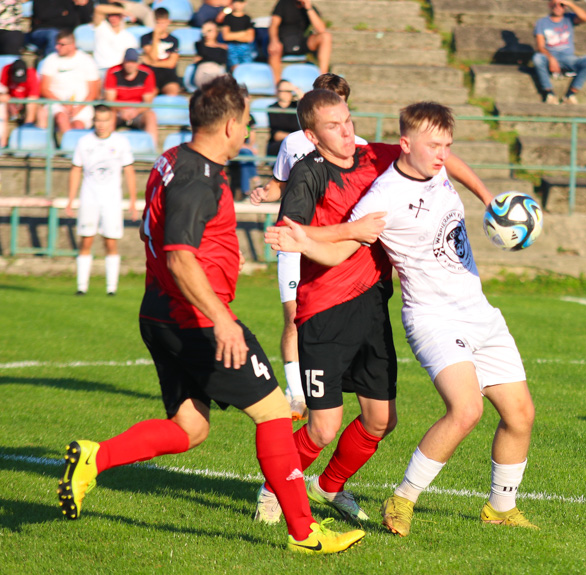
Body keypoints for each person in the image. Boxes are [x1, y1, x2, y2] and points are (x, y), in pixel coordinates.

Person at [56, 75, 365, 555]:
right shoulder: (198, 179)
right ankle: (305, 534)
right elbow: (180, 256)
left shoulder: (173, 158)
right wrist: (222, 320)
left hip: (159, 313)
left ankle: (96, 460)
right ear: (226, 126)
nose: (247, 133)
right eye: (244, 123)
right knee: (275, 414)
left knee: (190, 429)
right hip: (196, 319)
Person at [263, 101, 537, 537]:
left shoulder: (436, 164)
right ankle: (402, 496)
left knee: (521, 414)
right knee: (465, 410)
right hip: (434, 317)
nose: (443, 153)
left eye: (447, 144)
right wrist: (301, 241)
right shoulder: (384, 196)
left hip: (479, 310)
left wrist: (490, 199)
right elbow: (342, 246)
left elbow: (452, 162)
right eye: (434, 145)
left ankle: (501, 508)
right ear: (406, 145)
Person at [251, 73, 366, 423]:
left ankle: (331, 382)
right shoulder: (294, 143)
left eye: (338, 102)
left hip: (331, 245)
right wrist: (263, 192)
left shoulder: (357, 146)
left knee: (337, 320)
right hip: (295, 245)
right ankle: (296, 394)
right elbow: (280, 186)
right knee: (294, 317)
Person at [64, 105, 137, 296]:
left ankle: (111, 288)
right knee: (86, 240)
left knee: (110, 242)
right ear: (93, 121)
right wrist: (71, 200)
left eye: (105, 120)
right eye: (98, 120)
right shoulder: (84, 142)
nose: (101, 124)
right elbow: (76, 170)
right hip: (89, 197)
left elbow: (129, 171)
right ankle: (82, 287)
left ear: (112, 121)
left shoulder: (121, 142)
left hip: (112, 200)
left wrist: (132, 201)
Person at [38, 29, 101, 138]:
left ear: (72, 45)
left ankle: (72, 148)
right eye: (57, 44)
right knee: (62, 118)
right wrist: (63, 104)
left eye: (61, 44)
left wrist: (78, 108)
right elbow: (44, 89)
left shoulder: (87, 60)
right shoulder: (51, 60)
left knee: (78, 125)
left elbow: (93, 92)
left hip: (82, 105)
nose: (57, 47)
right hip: (57, 103)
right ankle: (68, 147)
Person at [532, 0, 586, 105]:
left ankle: (570, 94)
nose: (558, 7)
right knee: (537, 58)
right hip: (549, 57)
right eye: (554, 4)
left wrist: (570, 4)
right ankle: (549, 93)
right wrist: (551, 59)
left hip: (568, 58)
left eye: (561, 5)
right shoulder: (541, 23)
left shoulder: (569, 18)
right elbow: (540, 46)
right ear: (549, 5)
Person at [104, 48, 159, 148]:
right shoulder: (113, 72)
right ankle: (106, 148)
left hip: (138, 111)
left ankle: (152, 149)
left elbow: (148, 102)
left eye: (133, 62)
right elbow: (109, 101)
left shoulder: (147, 73)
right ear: (123, 61)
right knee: (108, 115)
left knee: (151, 116)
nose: (130, 65)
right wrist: (121, 111)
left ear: (138, 63)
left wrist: (136, 111)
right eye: (128, 61)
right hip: (117, 111)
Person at [268, 0, 332, 82]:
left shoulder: (310, 8)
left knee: (326, 36)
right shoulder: (283, 3)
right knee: (274, 49)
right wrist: (274, 41)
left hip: (302, 42)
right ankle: (278, 86)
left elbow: (321, 29)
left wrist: (308, 8)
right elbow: (273, 25)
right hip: (283, 41)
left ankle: (323, 80)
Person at [140, 7, 182, 96]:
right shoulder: (146, 38)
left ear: (168, 22)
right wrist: (155, 37)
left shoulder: (174, 40)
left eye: (163, 23)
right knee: (149, 94)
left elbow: (171, 63)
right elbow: (153, 57)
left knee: (172, 92)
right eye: (158, 23)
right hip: (151, 74)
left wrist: (152, 63)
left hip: (168, 74)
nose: (160, 26)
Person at [29, 0, 93, 56]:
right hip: (43, 31)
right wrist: (62, 13)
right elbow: (42, 15)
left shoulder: (73, 3)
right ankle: (53, 63)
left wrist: (83, 5)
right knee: (54, 34)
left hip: (69, 32)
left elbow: (87, 20)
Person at [0, 60, 40, 148]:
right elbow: (3, 91)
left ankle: (27, 129)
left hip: (25, 103)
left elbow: (34, 96)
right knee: (2, 103)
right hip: (10, 102)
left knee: (33, 103)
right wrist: (10, 103)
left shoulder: (32, 73)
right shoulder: (6, 69)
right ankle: (3, 144)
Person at [92, 2, 138, 72]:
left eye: (117, 15)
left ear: (122, 16)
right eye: (111, 15)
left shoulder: (128, 36)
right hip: (101, 68)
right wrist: (123, 11)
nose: (113, 18)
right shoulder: (101, 27)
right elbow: (98, 9)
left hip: (119, 71)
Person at [266, 79, 302, 158]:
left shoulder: (297, 107)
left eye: (289, 91)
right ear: (277, 92)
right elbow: (276, 135)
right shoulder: (272, 108)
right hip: (279, 144)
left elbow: (307, 104)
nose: (287, 94)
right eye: (284, 91)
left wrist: (297, 90)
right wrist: (296, 137)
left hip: (295, 143)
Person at [221, 0, 256, 70]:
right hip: (232, 47)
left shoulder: (247, 18)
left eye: (240, 3)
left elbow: (250, 38)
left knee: (247, 68)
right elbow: (226, 37)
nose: (238, 5)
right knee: (234, 68)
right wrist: (242, 34)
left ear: (244, 3)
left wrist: (233, 36)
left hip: (245, 47)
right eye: (236, 2)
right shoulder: (228, 18)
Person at [193, 20, 228, 88]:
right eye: (204, 31)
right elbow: (203, 52)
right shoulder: (199, 44)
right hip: (204, 71)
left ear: (216, 32)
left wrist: (203, 59)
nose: (207, 33)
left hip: (218, 71)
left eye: (209, 31)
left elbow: (222, 60)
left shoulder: (223, 47)